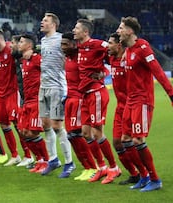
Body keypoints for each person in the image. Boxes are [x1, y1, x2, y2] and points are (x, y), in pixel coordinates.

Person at [116, 16, 173, 192]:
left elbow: (157, 71)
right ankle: (144, 176)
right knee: (125, 139)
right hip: (130, 101)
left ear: (129, 31)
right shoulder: (127, 51)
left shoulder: (143, 48)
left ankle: (155, 180)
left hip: (142, 100)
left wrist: (171, 93)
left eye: (120, 28)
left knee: (138, 139)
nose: (118, 31)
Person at [73, 18, 121, 184]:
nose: (74, 30)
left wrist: (104, 73)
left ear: (85, 32)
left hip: (96, 93)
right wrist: (103, 71)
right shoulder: (79, 47)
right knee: (85, 133)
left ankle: (114, 168)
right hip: (85, 94)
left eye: (76, 28)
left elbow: (114, 51)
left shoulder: (96, 44)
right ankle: (101, 168)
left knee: (97, 132)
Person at [107, 32, 147, 185]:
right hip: (119, 107)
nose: (108, 46)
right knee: (117, 142)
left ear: (119, 45)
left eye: (110, 43)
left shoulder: (130, 60)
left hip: (132, 106)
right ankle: (134, 174)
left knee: (133, 142)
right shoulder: (111, 59)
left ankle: (145, 174)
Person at [39, 12, 75, 177]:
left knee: (57, 126)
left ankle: (69, 163)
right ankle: (53, 159)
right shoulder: (43, 40)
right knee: (46, 126)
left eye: (45, 20)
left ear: (53, 24)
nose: (42, 22)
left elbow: (74, 54)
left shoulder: (62, 40)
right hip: (43, 86)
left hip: (57, 87)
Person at [61, 32, 98, 180]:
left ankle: (93, 167)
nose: (62, 47)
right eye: (61, 44)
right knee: (70, 135)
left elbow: (98, 69)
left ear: (74, 44)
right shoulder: (67, 58)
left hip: (79, 99)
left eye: (65, 44)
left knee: (79, 134)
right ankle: (86, 167)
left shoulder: (81, 57)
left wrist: (100, 75)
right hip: (69, 99)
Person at [17, 34, 50, 173]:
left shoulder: (37, 59)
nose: (19, 44)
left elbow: (49, 71)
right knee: (23, 132)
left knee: (33, 133)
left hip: (37, 100)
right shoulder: (24, 61)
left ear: (29, 45)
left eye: (21, 42)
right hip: (27, 101)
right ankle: (39, 160)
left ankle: (46, 161)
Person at [0, 29, 21, 166]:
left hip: (13, 92)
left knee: (18, 124)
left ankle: (28, 155)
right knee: (3, 124)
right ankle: (15, 155)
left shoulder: (11, 49)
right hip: (0, 94)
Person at [10, 35, 34, 167]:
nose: (12, 46)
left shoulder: (33, 57)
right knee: (24, 129)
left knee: (46, 129)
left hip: (34, 98)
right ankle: (33, 158)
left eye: (15, 43)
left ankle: (47, 159)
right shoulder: (17, 60)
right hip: (24, 97)